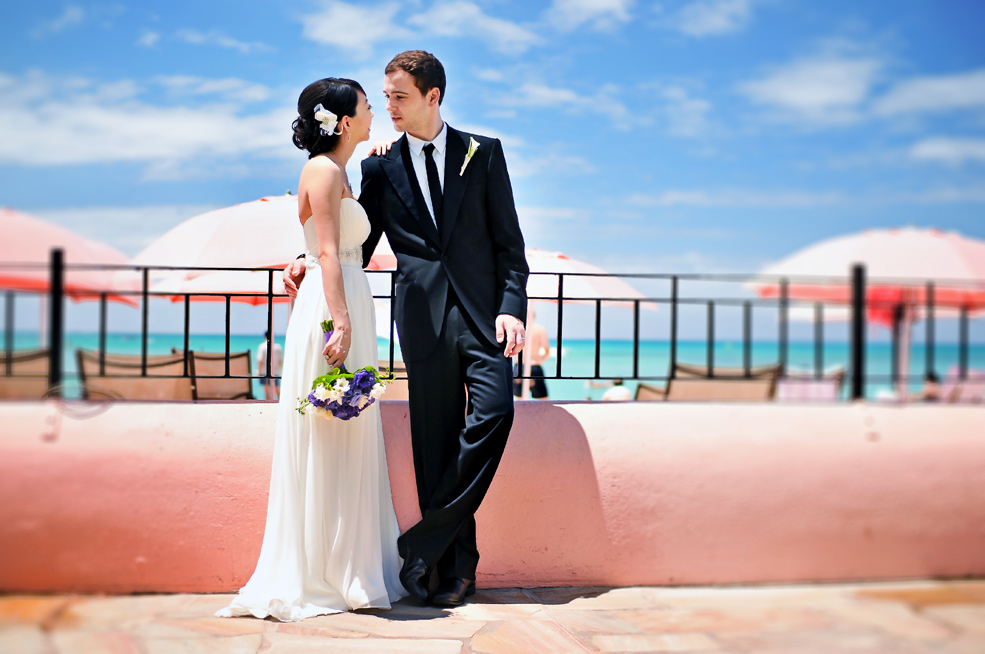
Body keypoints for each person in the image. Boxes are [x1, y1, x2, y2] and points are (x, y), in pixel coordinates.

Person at [284, 50, 528, 607]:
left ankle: (420, 544)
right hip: (420, 320)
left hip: (485, 318)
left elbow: (510, 245)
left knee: (495, 415)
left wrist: (512, 305)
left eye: (399, 97)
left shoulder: (482, 154)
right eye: (384, 96)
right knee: (433, 445)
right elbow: (353, 244)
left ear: (432, 97)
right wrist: (301, 256)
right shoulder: (378, 166)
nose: (388, 106)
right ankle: (454, 571)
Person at [216, 78, 405, 622]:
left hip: (346, 297)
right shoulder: (322, 171)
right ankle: (324, 570)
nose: (376, 111)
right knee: (327, 428)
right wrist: (340, 322)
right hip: (332, 305)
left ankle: (351, 563)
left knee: (349, 426)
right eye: (369, 105)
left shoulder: (341, 172)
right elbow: (326, 250)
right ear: (344, 121)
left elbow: (334, 247)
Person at [513, 306, 550, 400]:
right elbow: (546, 350)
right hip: (534, 365)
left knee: (519, 400)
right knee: (543, 399)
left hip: (520, 365)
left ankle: (522, 415)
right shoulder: (540, 329)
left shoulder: (517, 328)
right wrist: (539, 361)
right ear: (534, 316)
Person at [256, 330, 283, 401]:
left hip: (264, 372)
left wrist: (258, 371)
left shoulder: (262, 346)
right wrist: (279, 370)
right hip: (275, 372)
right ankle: (281, 403)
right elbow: (280, 361)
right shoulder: (278, 347)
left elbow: (260, 361)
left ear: (265, 337)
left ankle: (268, 405)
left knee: (267, 392)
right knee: (277, 391)